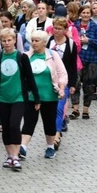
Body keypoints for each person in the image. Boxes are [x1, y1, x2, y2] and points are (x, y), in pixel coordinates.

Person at [0, 28, 39, 172]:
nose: (7, 43)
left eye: (9, 40)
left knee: (14, 124)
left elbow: (30, 78)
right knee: (5, 126)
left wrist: (36, 98)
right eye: (4, 40)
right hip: (1, 97)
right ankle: (9, 155)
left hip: (18, 97)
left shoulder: (21, 57)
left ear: (14, 41)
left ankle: (16, 156)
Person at [22, 30, 67, 160]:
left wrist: (62, 88)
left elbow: (62, 73)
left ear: (44, 42)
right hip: (31, 96)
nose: (34, 43)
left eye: (37, 41)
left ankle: (50, 147)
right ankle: (23, 147)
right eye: (33, 40)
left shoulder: (52, 55)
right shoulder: (26, 56)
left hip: (49, 95)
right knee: (29, 121)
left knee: (49, 123)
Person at [48, 17, 78, 150]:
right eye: (55, 28)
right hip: (49, 80)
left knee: (59, 108)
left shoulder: (71, 44)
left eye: (60, 29)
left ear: (66, 30)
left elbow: (73, 66)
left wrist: (72, 84)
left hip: (63, 81)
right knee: (51, 110)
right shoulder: (49, 41)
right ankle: (54, 131)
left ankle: (56, 135)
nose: (57, 31)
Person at [72, 5, 97, 120]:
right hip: (77, 58)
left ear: (90, 14)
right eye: (83, 13)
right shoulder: (74, 26)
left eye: (87, 13)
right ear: (80, 13)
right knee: (75, 83)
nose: (85, 15)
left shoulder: (95, 27)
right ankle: (75, 109)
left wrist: (88, 40)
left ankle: (86, 109)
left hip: (91, 59)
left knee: (89, 84)